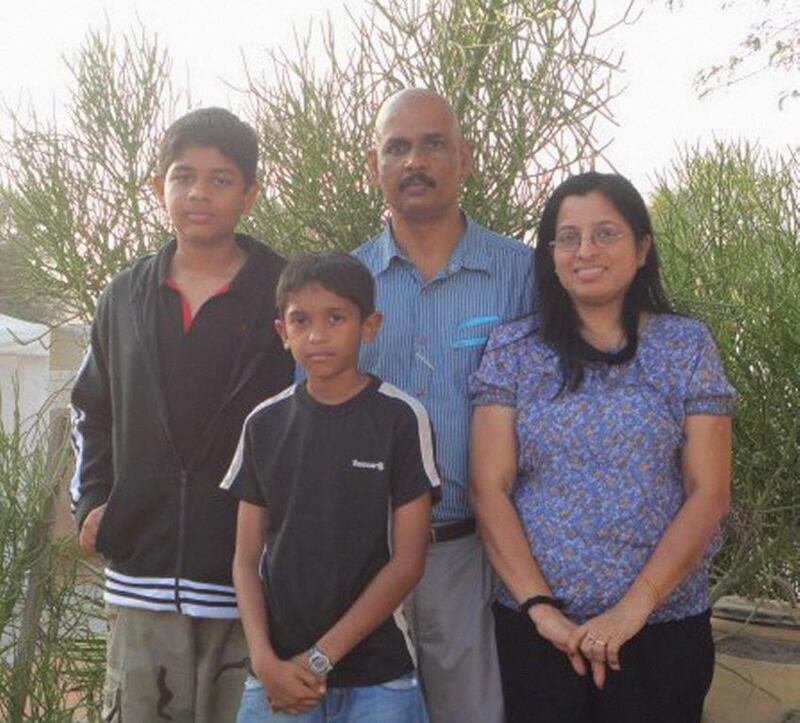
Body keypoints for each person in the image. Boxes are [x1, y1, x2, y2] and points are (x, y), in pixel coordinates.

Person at [469, 171, 735, 723]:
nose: (585, 250)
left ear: (641, 249)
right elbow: (488, 488)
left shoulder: (686, 347)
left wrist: (632, 610)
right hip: (538, 634)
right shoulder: (513, 351)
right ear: (550, 254)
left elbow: (708, 493)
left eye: (605, 234)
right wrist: (542, 611)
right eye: (568, 237)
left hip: (661, 629)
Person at [69, 107, 294, 723]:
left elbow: (311, 421)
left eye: (221, 179)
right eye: (183, 175)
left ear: (249, 192)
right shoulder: (125, 296)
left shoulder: (285, 295)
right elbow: (92, 411)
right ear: (158, 187)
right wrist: (91, 502)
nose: (199, 193)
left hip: (248, 582)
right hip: (143, 574)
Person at [353, 87, 534, 723]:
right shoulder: (343, 288)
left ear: (465, 156)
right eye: (396, 147)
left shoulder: (526, 277)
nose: (414, 162)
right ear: (375, 165)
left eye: (433, 144)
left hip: (473, 555)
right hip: (362, 558)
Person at [222, 251, 440, 722]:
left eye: (336, 317)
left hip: (377, 676)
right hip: (277, 675)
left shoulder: (400, 419)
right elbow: (244, 558)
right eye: (300, 320)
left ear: (369, 326)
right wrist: (263, 659)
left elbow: (408, 562)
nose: (317, 335)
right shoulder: (264, 423)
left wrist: (320, 657)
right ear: (282, 332)